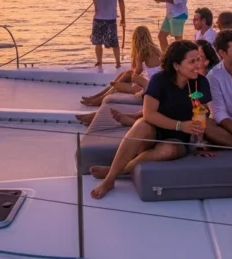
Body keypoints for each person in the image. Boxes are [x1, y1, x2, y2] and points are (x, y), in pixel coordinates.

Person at [90, 40, 214, 199]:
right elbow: (149, 114)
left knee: (170, 150)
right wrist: (180, 125)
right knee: (141, 125)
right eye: (192, 61)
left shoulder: (200, 83)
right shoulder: (159, 81)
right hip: (154, 130)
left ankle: (117, 170)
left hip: (178, 139)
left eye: (199, 59)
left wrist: (200, 144)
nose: (198, 64)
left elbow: (201, 114)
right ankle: (110, 180)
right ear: (176, 65)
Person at [77, 26, 162, 123]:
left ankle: (98, 99)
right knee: (126, 74)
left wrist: (133, 72)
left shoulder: (142, 52)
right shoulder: (156, 49)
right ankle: (98, 97)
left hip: (150, 86)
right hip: (154, 83)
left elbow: (137, 72)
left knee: (121, 83)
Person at [88, 0, 126, 68]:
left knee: (114, 41)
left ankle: (118, 63)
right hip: (98, 18)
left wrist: (123, 18)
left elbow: (121, 2)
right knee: (97, 41)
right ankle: (99, 61)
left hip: (111, 18)